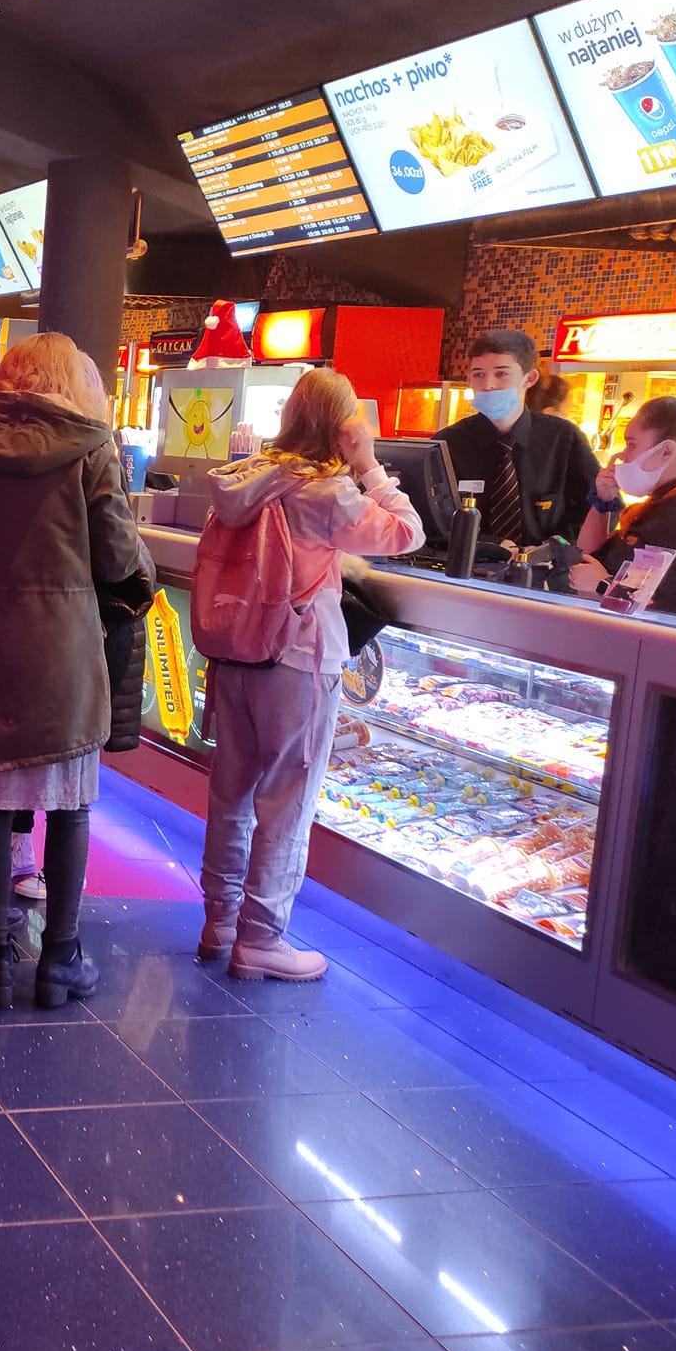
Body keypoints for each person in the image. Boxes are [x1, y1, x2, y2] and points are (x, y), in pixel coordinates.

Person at [0, 333, 151, 1010]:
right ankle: (59, 961)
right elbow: (118, 560)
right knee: (69, 810)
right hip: (61, 661)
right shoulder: (91, 449)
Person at [198, 368, 424, 981]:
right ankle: (262, 939)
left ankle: (220, 922)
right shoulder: (326, 493)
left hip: (235, 651)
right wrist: (369, 463)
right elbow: (407, 533)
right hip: (296, 657)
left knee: (231, 794)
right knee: (286, 801)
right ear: (343, 424)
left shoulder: (245, 477)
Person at [437, 329, 598, 547]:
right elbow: (430, 519)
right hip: (468, 561)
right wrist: (489, 546)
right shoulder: (448, 443)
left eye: (501, 374)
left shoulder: (563, 438)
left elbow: (596, 507)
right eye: (478, 374)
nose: (488, 385)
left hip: (546, 564)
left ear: (529, 378)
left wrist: (554, 548)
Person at [571, 395, 676, 617]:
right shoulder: (661, 507)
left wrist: (604, 585)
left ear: (666, 452)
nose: (623, 455)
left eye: (631, 444)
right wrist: (603, 501)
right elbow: (588, 558)